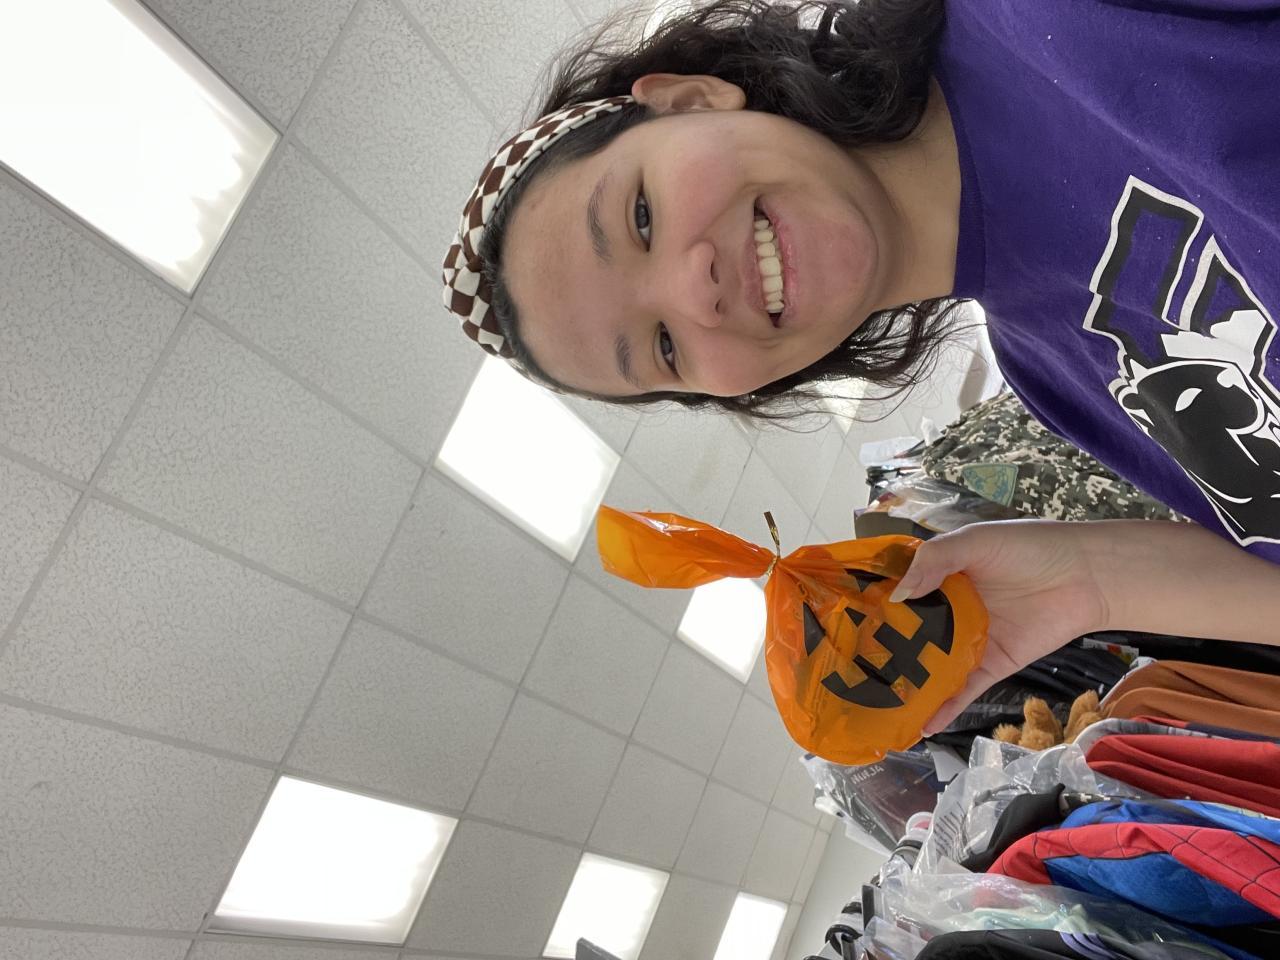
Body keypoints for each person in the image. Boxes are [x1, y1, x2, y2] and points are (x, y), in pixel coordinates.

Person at [440, 0, 1280, 730]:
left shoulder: (1046, 21)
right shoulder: (1057, 383)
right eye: (663, 346)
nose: (694, 291)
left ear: (690, 99)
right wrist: (1092, 584)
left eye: (641, 216)